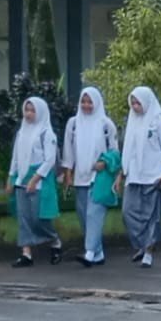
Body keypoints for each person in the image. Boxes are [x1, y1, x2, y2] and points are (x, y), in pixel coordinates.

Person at [115, 85, 161, 268]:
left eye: (138, 103)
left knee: (152, 216)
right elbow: (128, 150)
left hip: (153, 175)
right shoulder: (132, 121)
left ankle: (148, 251)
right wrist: (121, 174)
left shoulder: (158, 121)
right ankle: (141, 244)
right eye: (132, 103)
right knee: (127, 213)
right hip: (134, 175)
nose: (135, 107)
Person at [59, 86, 118, 266]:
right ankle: (98, 252)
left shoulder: (106, 124)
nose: (86, 105)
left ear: (97, 102)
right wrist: (68, 175)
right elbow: (68, 152)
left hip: (100, 178)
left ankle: (90, 253)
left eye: (90, 102)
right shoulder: (73, 124)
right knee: (84, 216)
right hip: (80, 177)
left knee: (94, 214)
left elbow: (115, 152)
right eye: (83, 102)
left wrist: (105, 163)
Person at [5, 96, 63, 267]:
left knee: (38, 218)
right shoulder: (22, 132)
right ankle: (26, 254)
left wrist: (35, 178)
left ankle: (54, 241)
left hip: (39, 181)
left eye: (32, 110)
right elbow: (16, 157)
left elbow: (49, 160)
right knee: (23, 217)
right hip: (21, 178)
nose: (28, 114)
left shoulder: (47, 133)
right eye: (26, 110)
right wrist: (11, 177)